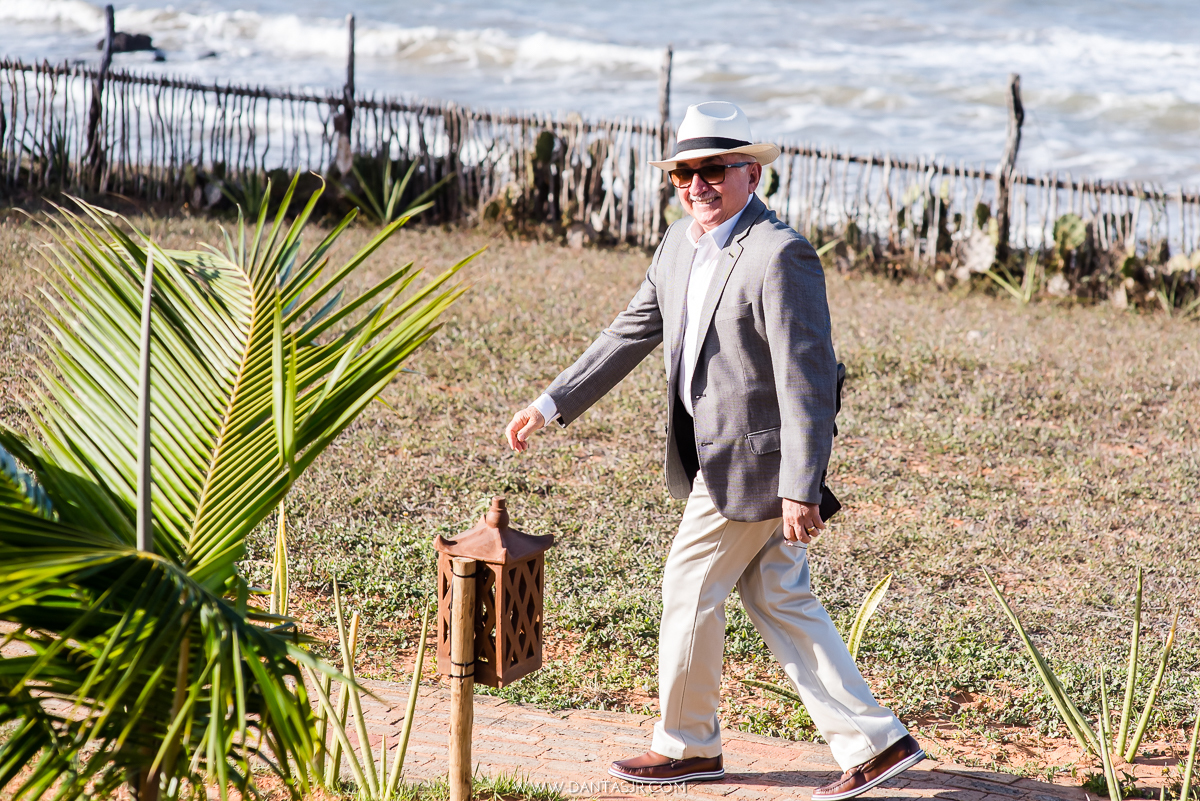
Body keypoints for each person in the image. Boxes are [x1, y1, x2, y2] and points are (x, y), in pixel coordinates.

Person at [503, 101, 924, 798]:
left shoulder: (779, 252)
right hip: (718, 457)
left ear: (751, 173)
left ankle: (688, 746)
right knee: (780, 598)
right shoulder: (678, 244)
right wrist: (550, 402)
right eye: (683, 173)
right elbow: (627, 333)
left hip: (754, 467)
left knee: (688, 584)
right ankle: (877, 742)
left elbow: (809, 378)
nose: (697, 184)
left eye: (712, 170)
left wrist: (801, 484)